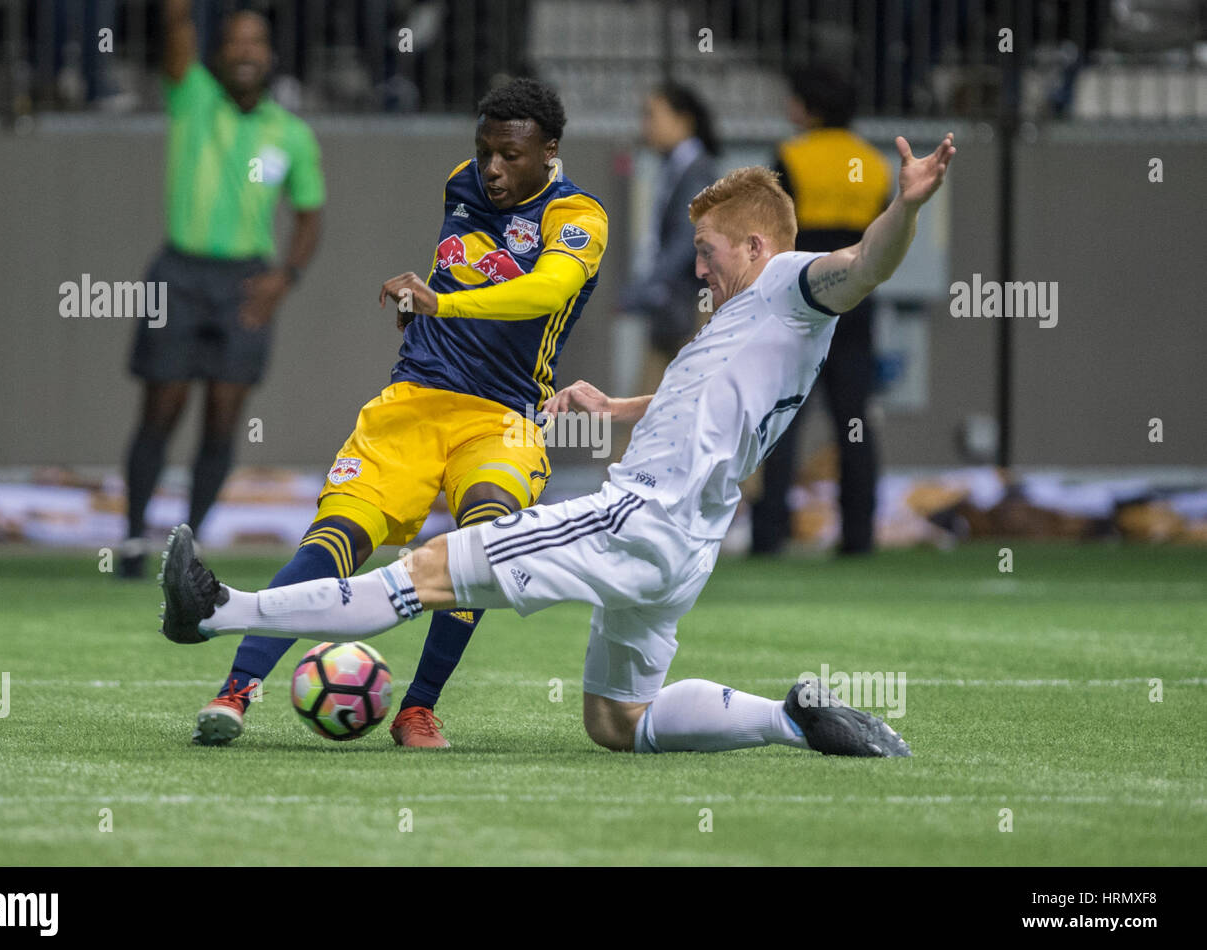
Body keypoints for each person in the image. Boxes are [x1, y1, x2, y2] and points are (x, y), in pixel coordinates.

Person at [160, 133, 954, 758]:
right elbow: (712, 401)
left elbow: (862, 266)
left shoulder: (788, 282)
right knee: (620, 723)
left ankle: (217, 611)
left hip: (634, 519)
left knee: (425, 574)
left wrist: (905, 211)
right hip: (686, 550)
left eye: (709, 252)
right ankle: (789, 720)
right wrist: (619, 406)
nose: (699, 270)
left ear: (755, 247)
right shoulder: (753, 328)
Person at [192, 77, 610, 750]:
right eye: (485, 152)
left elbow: (546, 290)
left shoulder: (579, 217)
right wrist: (429, 304)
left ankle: (418, 708)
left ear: (550, 152)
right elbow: (458, 270)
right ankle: (236, 691)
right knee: (337, 538)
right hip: (414, 399)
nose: (493, 169)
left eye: (510, 155)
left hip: (501, 417)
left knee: (483, 541)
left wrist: (440, 305)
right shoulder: (461, 184)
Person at [120, 0, 323, 577]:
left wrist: (286, 277)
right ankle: (134, 541)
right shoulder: (193, 97)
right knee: (161, 407)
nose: (244, 52)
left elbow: (310, 215)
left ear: (271, 57)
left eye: (255, 43)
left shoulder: (292, 134)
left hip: (245, 284)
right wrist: (179, 14)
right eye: (234, 42)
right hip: (179, 272)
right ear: (217, 54)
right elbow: (178, 31)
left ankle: (188, 545)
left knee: (224, 416)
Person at [751, 64, 892, 556]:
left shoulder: (792, 155)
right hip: (857, 299)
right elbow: (884, 238)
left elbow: (774, 232)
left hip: (801, 299)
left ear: (809, 108)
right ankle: (859, 538)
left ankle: (769, 536)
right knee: (854, 421)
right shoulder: (874, 163)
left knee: (782, 418)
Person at [619, 83, 719, 395]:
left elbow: (688, 238)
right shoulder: (675, 167)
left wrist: (648, 284)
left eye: (652, 115)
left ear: (683, 120)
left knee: (674, 407)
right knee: (652, 408)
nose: (645, 125)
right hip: (673, 308)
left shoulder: (697, 171)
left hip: (690, 309)